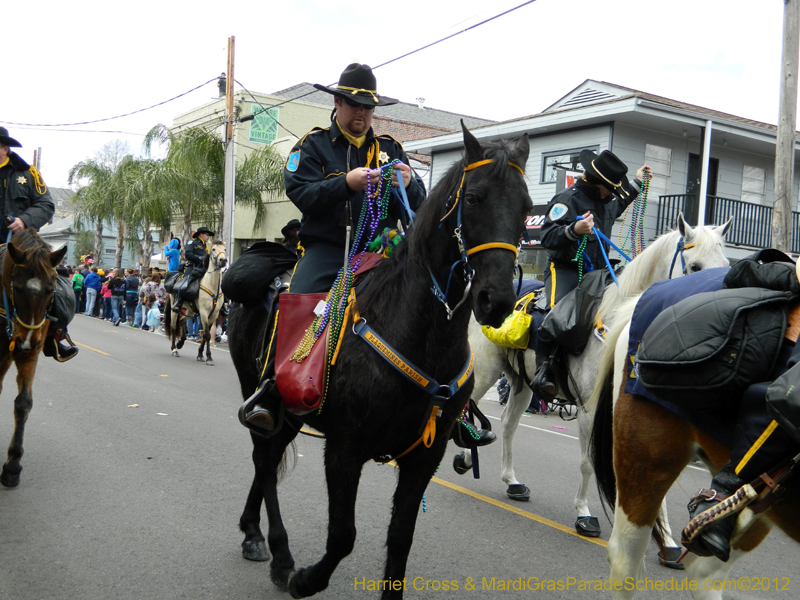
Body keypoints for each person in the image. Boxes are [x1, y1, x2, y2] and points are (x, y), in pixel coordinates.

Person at [243, 63, 427, 433]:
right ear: (337, 103)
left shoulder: (391, 149)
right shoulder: (311, 145)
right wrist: (345, 183)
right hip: (329, 250)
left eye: (367, 107)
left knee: (429, 303)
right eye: (353, 104)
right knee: (297, 301)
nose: (360, 113)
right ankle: (269, 390)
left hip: (383, 251)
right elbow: (302, 193)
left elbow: (419, 205)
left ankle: (450, 401)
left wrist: (409, 184)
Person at [531, 150, 651, 399]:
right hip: (565, 268)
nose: (612, 194)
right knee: (555, 313)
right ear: (598, 184)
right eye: (609, 188)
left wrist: (639, 181)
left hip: (597, 274)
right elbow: (547, 237)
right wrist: (574, 229)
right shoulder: (567, 199)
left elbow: (622, 201)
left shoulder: (606, 201)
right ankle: (544, 372)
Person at [0, 127, 78, 361]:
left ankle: (55, 336)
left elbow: (46, 205)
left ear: (4, 149)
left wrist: (24, 220)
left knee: (48, 280)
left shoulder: (28, 173)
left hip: (21, 242)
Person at [172, 227, 212, 312]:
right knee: (185, 282)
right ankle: (178, 302)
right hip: (193, 267)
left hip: (203, 268)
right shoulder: (192, 243)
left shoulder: (205, 246)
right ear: (201, 235)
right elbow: (188, 254)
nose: (208, 236)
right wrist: (199, 258)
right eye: (207, 234)